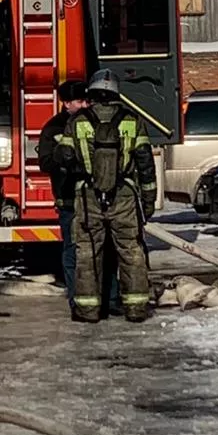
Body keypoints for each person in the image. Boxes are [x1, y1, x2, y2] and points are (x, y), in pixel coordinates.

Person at [55, 69, 158, 323]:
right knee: (131, 251)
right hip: (124, 196)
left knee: (87, 253)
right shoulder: (132, 121)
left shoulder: (78, 122)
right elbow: (145, 164)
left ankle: (88, 310)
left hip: (88, 197)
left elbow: (63, 158)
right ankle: (136, 308)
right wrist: (148, 201)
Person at [36, 79, 89, 307]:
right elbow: (45, 163)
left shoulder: (92, 122)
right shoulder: (54, 128)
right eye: (80, 101)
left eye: (87, 101)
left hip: (93, 198)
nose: (85, 105)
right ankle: (76, 297)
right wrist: (65, 158)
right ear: (67, 103)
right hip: (68, 198)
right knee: (71, 249)